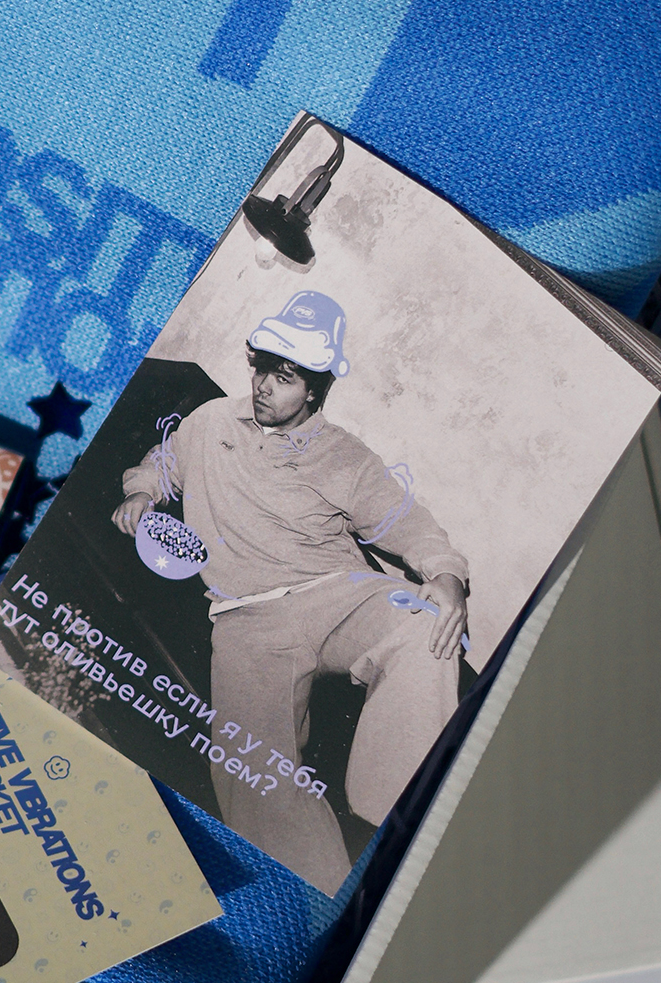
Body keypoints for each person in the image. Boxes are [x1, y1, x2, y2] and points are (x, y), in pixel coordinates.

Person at [113, 287, 469, 891]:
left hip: (336, 593)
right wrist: (142, 491)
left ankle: (404, 818)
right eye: (262, 369)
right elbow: (164, 463)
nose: (264, 387)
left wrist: (446, 575)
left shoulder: (344, 455)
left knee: (423, 620)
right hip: (246, 619)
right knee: (249, 776)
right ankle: (323, 901)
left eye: (285, 378)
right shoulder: (211, 421)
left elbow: (403, 520)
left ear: (314, 390)